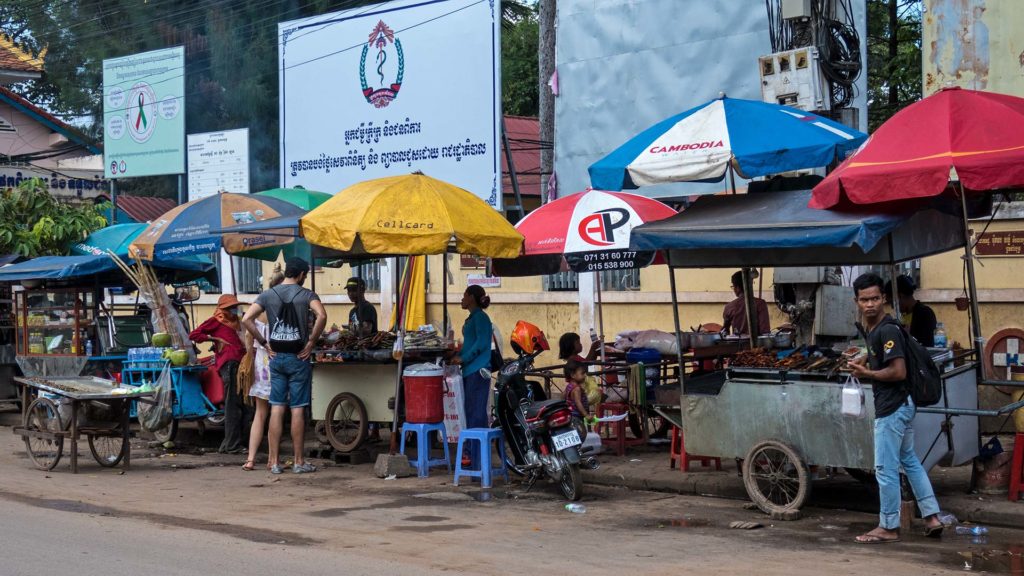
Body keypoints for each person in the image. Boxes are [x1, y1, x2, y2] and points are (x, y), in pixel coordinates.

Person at [848, 272, 944, 544]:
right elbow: (880, 353)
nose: (870, 304)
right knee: (910, 461)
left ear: (884, 299)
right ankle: (932, 517)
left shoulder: (887, 329)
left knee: (885, 468)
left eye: (875, 298)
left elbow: (898, 371)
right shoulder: (879, 328)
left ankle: (888, 526)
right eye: (865, 299)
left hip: (893, 406)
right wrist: (865, 359)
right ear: (856, 301)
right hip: (904, 404)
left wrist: (867, 374)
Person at [242, 257, 327, 475]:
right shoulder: (307, 294)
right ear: (300, 275)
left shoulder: (268, 295)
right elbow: (322, 315)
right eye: (305, 275)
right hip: (299, 356)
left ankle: (274, 462)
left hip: (276, 357)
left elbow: (247, 319)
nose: (305, 279)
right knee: (297, 408)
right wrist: (311, 342)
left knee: (277, 406)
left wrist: (263, 342)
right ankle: (299, 462)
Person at [190, 293, 249, 454]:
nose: (233, 310)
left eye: (234, 307)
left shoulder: (238, 321)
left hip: (241, 364)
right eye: (230, 308)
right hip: (229, 365)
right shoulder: (216, 320)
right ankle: (232, 445)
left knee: (245, 406)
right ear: (223, 309)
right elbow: (194, 335)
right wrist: (214, 339)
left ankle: (234, 443)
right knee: (233, 406)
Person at [240, 266, 285, 471]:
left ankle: (250, 459)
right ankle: (272, 459)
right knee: (277, 410)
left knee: (260, 413)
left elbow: (248, 335)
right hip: (277, 360)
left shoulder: (257, 306)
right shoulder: (283, 306)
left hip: (260, 361)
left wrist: (251, 353)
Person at [450, 285, 493, 465]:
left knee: (476, 415)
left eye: (464, 295)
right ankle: (473, 455)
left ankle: (477, 458)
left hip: (478, 370)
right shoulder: (473, 318)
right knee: (471, 413)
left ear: (472, 298)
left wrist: (464, 358)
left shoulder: (481, 318)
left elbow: (482, 344)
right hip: (470, 369)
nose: (462, 299)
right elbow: (472, 342)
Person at [885, 275, 937, 347]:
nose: (892, 307)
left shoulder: (925, 313)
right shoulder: (901, 316)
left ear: (900, 296)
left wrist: (907, 336)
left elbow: (927, 344)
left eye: (891, 302)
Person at [722, 270, 771, 336]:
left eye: (733, 287)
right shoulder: (760, 304)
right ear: (750, 285)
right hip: (757, 345)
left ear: (738, 288)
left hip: (736, 345)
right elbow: (765, 331)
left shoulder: (729, 307)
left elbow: (724, 332)